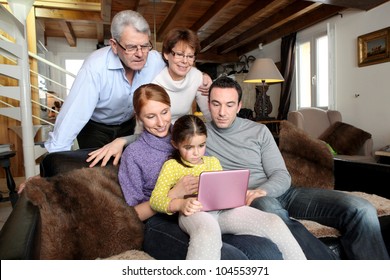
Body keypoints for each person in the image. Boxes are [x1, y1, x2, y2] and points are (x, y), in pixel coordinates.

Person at [203, 76, 389, 260]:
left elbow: (281, 174)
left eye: (229, 104)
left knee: (361, 208)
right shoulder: (199, 135)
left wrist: (264, 190)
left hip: (283, 192)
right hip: (250, 199)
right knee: (274, 215)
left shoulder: (259, 131)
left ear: (239, 105)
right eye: (216, 104)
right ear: (208, 104)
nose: (222, 112)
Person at [117, 83, 283, 260]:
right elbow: (134, 215)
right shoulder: (133, 154)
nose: (160, 122)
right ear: (139, 118)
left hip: (203, 213)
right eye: (150, 116)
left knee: (265, 249)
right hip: (161, 222)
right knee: (230, 257)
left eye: (164, 112)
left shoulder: (190, 132)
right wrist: (175, 194)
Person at [44, 10, 211, 153]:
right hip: (97, 127)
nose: (140, 54)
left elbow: (179, 63)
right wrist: (54, 160)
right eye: (131, 47)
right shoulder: (95, 68)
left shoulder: (154, 59)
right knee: (97, 175)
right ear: (114, 45)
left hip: (129, 125)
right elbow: (74, 115)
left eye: (145, 46)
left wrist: (202, 76)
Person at [149, 114, 306, 260]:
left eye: (201, 145)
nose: (196, 153)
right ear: (175, 144)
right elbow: (155, 200)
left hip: (223, 211)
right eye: (189, 147)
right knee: (208, 232)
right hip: (195, 214)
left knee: (273, 221)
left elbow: (222, 191)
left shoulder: (213, 162)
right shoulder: (172, 166)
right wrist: (181, 204)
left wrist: (236, 196)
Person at [87, 27, 211, 166]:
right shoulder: (153, 80)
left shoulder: (198, 77)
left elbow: (211, 116)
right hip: (151, 139)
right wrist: (123, 140)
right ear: (166, 54)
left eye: (190, 56)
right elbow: (143, 127)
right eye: (179, 54)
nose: (184, 61)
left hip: (183, 140)